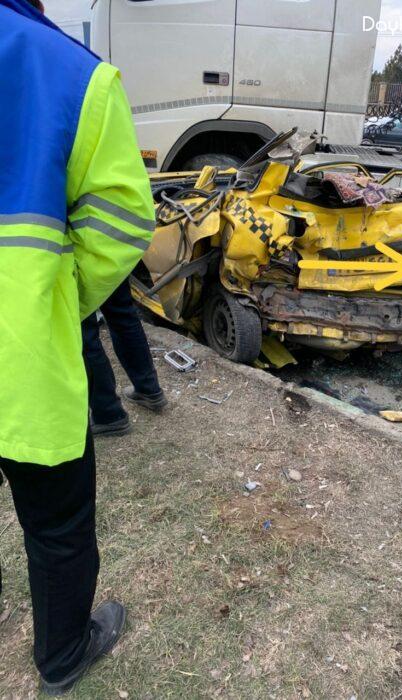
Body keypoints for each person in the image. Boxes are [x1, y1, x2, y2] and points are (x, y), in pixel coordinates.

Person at [0, 0, 155, 694]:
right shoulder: (73, 71)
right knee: (58, 528)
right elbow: (124, 220)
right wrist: (60, 303)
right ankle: (62, 657)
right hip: (26, 362)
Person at [82, 279, 167, 437]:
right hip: (110, 258)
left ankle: (108, 414)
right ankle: (149, 389)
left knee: (84, 333)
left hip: (76, 262)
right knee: (122, 312)